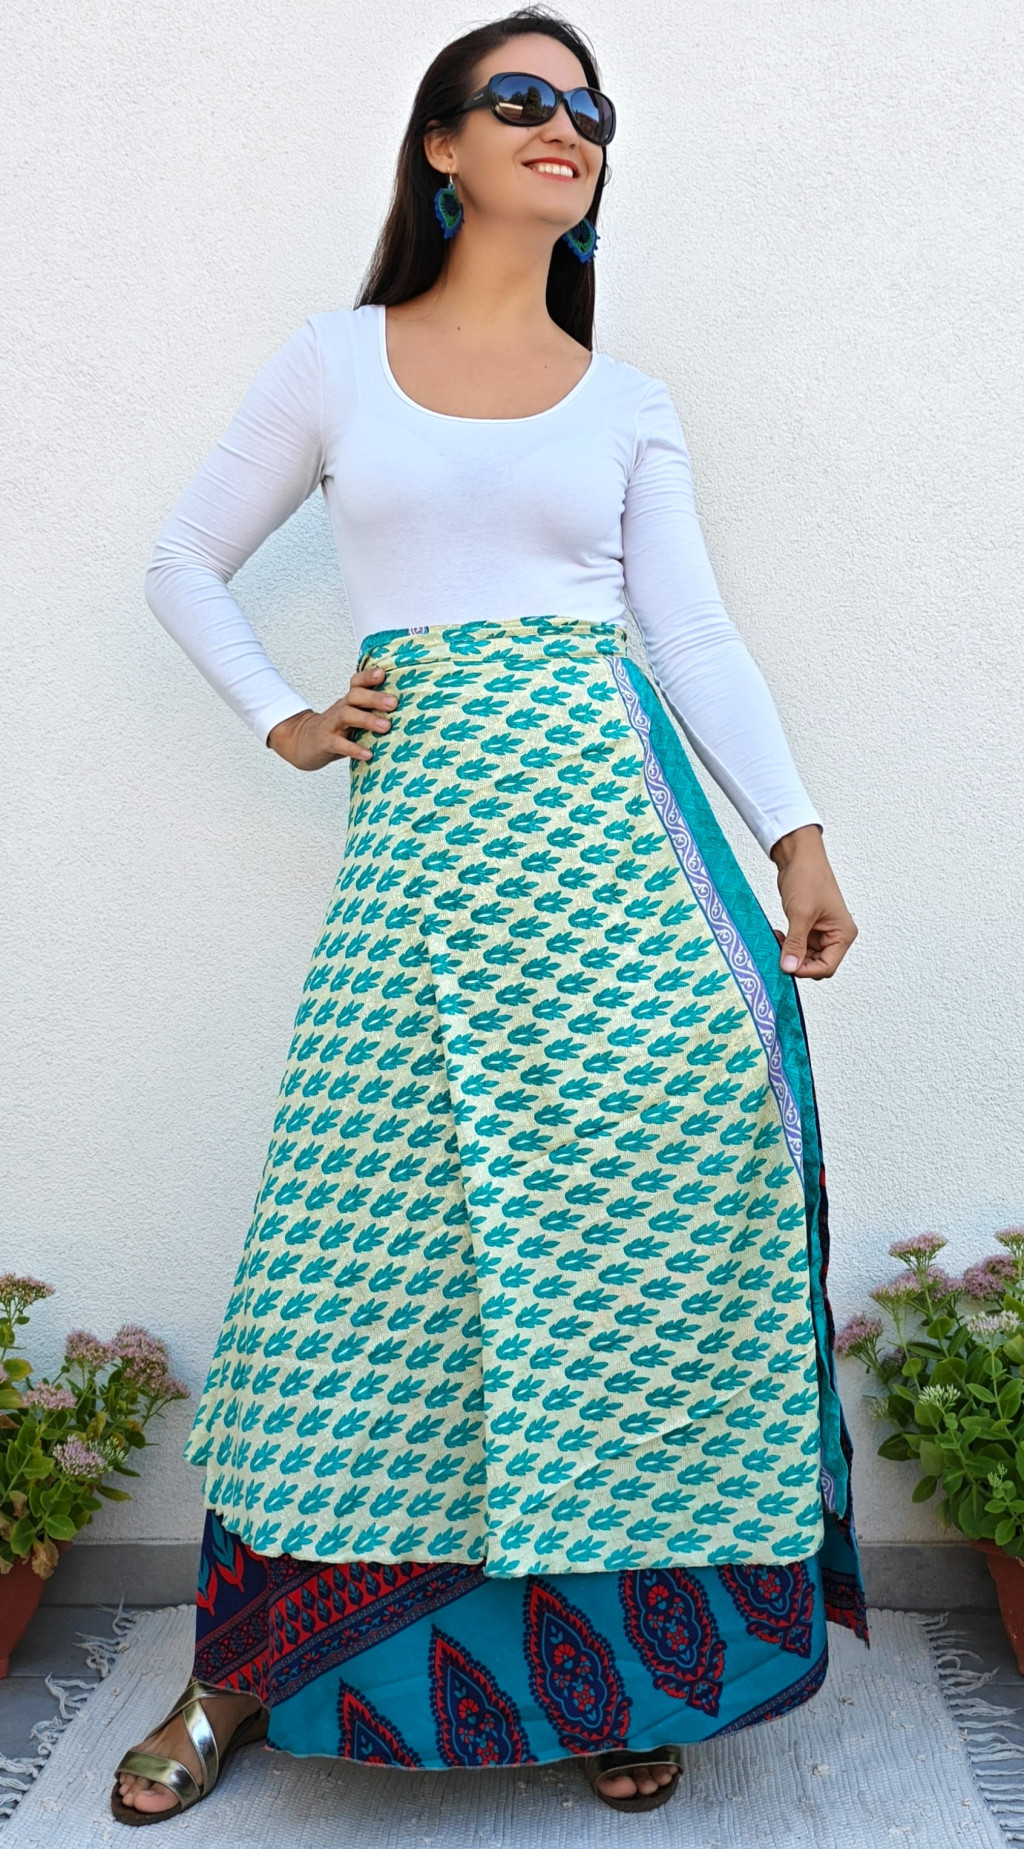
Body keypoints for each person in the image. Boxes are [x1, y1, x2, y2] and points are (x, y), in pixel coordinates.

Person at [112, 5, 865, 1823]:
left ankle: (607, 1669)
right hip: (428, 864)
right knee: (346, 1251)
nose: (563, 125)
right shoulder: (337, 360)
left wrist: (796, 836)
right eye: (519, 97)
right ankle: (240, 1671)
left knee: (622, 1231)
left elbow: (688, 632)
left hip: (623, 859)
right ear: (441, 146)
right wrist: (287, 715)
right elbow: (183, 559)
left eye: (588, 108)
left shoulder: (625, 401)